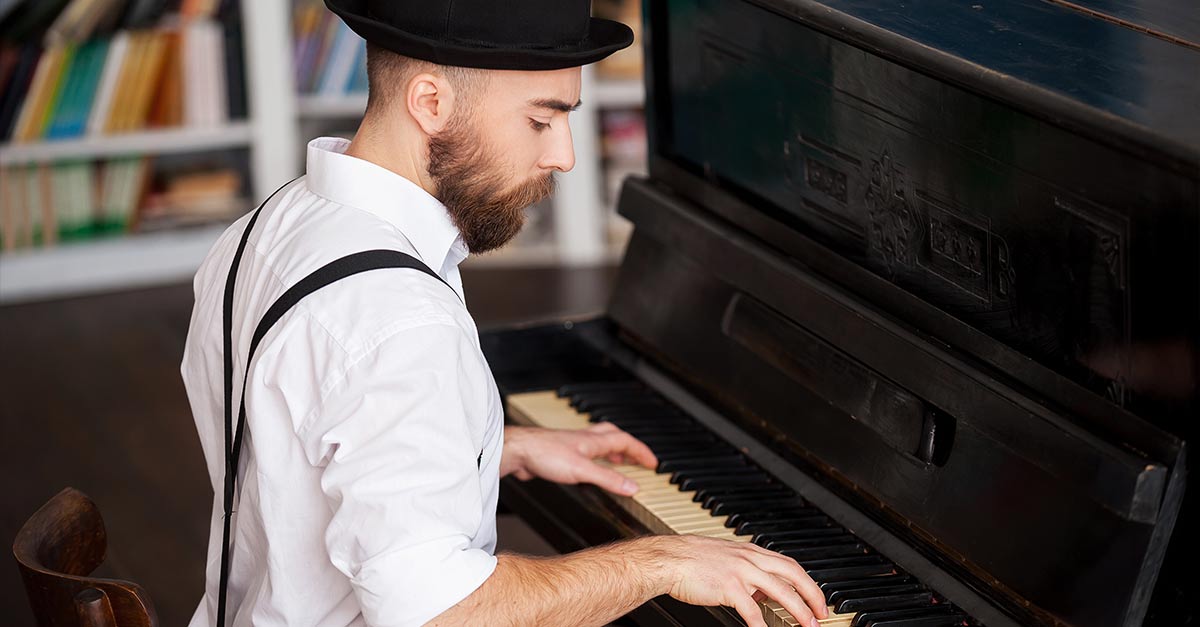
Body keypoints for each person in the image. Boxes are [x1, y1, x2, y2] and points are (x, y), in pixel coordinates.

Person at [181, 1, 828, 626]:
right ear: (431, 102)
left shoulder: (262, 231)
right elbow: (443, 613)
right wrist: (660, 560)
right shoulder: (401, 322)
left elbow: (298, 445)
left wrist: (486, 448)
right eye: (541, 120)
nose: (564, 156)